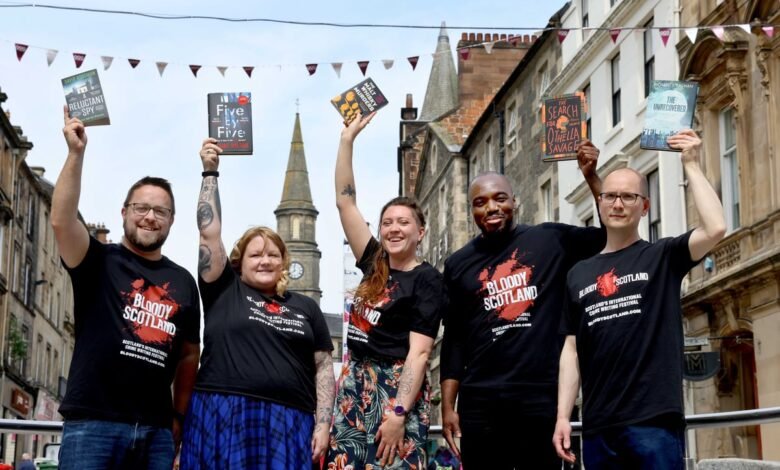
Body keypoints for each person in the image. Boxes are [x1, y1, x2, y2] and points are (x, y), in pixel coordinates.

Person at [553, 130, 725, 469]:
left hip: (653, 422)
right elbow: (571, 350)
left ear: (645, 206)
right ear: (599, 202)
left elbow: (715, 228)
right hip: (598, 427)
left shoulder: (663, 257)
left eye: (629, 197)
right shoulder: (577, 275)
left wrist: (691, 163)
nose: (618, 204)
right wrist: (562, 416)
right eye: (610, 196)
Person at [439, 141, 605, 469]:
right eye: (480, 202)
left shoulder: (551, 239)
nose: (491, 208)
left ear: (515, 201)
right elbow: (454, 340)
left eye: (500, 198)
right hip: (481, 404)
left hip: (541, 398)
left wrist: (592, 178)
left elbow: (609, 234)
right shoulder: (457, 264)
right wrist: (448, 406)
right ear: (472, 210)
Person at [52, 107, 201, 469]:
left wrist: (178, 417)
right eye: (141, 208)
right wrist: (75, 154)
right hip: (93, 425)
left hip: (156, 433)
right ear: (124, 212)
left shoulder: (184, 281)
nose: (150, 217)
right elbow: (61, 221)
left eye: (160, 211)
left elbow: (188, 355)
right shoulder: (96, 259)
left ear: (172, 221)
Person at [179, 138, 335, 469]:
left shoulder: (306, 307)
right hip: (223, 411)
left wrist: (323, 423)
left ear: (283, 261)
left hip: (290, 418)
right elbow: (209, 233)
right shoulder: (224, 289)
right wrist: (210, 173)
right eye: (256, 254)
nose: (265, 260)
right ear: (239, 261)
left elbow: (323, 366)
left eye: (273, 254)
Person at [326, 112, 445, 468]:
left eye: (403, 222)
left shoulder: (426, 279)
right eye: (387, 222)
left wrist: (398, 413)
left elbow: (419, 354)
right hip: (354, 383)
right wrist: (347, 140)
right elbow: (345, 202)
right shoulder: (374, 261)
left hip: (394, 388)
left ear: (420, 232)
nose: (394, 229)